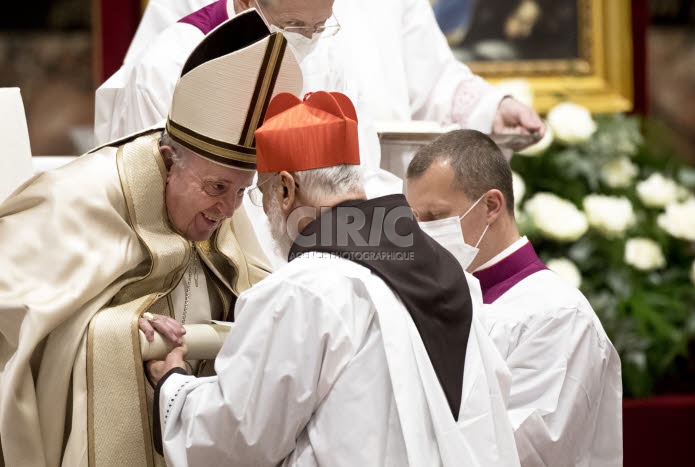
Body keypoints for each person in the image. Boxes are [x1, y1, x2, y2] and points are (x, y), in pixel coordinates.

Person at [146, 91, 521, 466]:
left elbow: (238, 436)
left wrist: (174, 386)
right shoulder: (445, 266)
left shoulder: (305, 289)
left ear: (287, 189)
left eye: (262, 195)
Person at [0, 11, 302, 467]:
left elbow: (250, 287)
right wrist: (120, 331)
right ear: (168, 160)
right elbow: (17, 321)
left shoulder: (219, 206)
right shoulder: (80, 196)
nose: (228, 211)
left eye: (242, 191)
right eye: (217, 188)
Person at [405, 129, 623, 466]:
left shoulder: (558, 315)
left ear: (491, 205)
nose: (423, 234)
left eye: (435, 216)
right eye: (415, 221)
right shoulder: (435, 300)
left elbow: (523, 449)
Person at [94, 0, 544, 148]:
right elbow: (148, 91)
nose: (311, 37)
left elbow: (433, 78)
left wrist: (491, 109)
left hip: (365, 203)